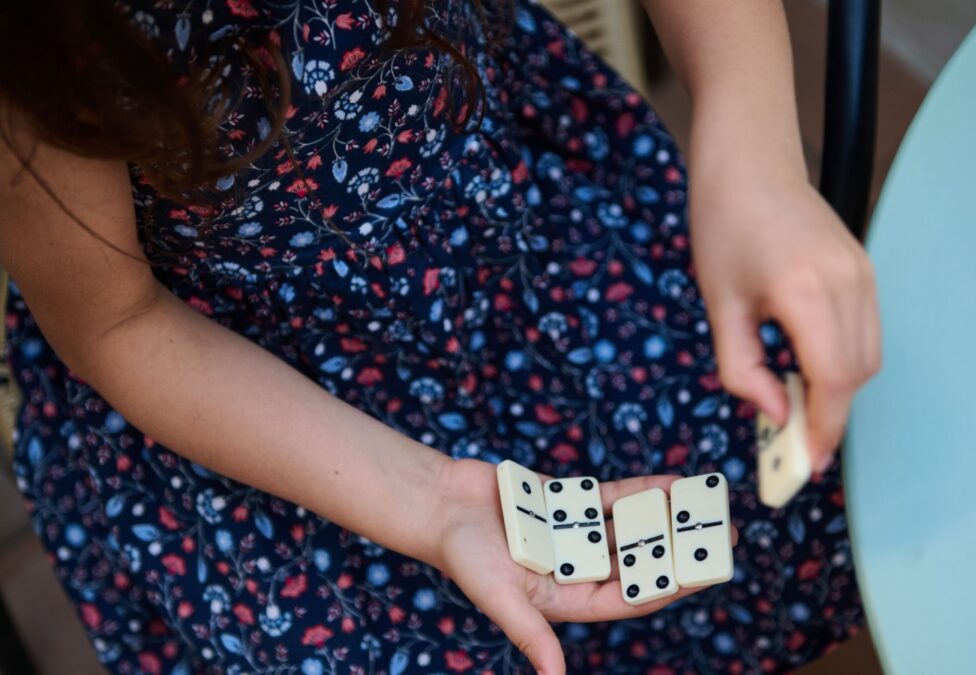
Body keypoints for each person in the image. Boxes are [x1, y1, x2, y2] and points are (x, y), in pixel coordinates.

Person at [0, 0, 880, 672]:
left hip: (520, 235)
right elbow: (114, 320)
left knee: (777, 517)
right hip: (250, 407)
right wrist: (436, 506)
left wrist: (752, 142)